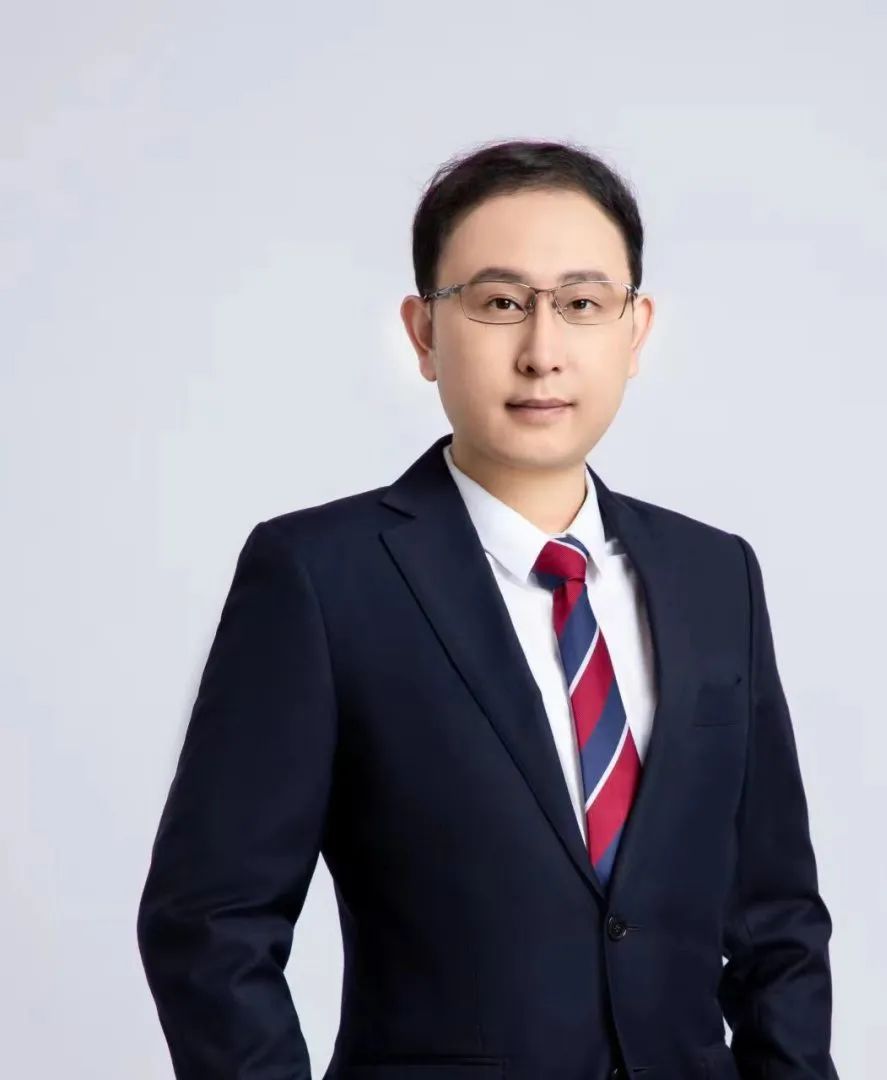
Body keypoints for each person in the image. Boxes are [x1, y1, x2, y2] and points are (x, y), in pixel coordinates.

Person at [136, 138, 840, 1080]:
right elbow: (209, 924)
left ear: (634, 331)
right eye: (501, 303)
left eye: (582, 304)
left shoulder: (716, 576)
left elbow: (776, 922)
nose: (543, 352)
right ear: (424, 333)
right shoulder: (319, 577)